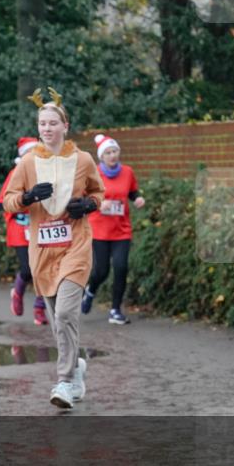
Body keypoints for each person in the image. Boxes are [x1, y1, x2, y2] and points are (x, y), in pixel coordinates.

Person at [3, 88, 104, 409]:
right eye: (42, 124)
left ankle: (65, 379)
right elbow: (7, 199)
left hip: (75, 245)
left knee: (64, 313)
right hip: (43, 251)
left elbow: (100, 194)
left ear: (65, 126)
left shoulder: (84, 160)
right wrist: (28, 197)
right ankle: (76, 369)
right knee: (59, 320)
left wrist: (86, 204)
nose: (46, 128)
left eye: (52, 123)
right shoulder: (29, 162)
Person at [82, 134, 145, 324]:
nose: (112, 155)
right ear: (101, 157)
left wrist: (138, 199)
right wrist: (99, 204)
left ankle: (115, 310)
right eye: (108, 152)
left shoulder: (127, 172)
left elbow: (132, 191)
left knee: (121, 267)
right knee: (101, 271)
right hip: (99, 229)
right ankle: (90, 291)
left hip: (121, 229)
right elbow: (84, 199)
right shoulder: (93, 175)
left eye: (115, 151)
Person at [0, 137, 48, 326]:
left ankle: (39, 307)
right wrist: (23, 200)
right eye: (30, 152)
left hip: (41, 227)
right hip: (20, 228)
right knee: (28, 269)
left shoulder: (46, 172)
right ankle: (18, 291)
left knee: (42, 269)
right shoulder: (15, 173)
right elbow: (2, 203)